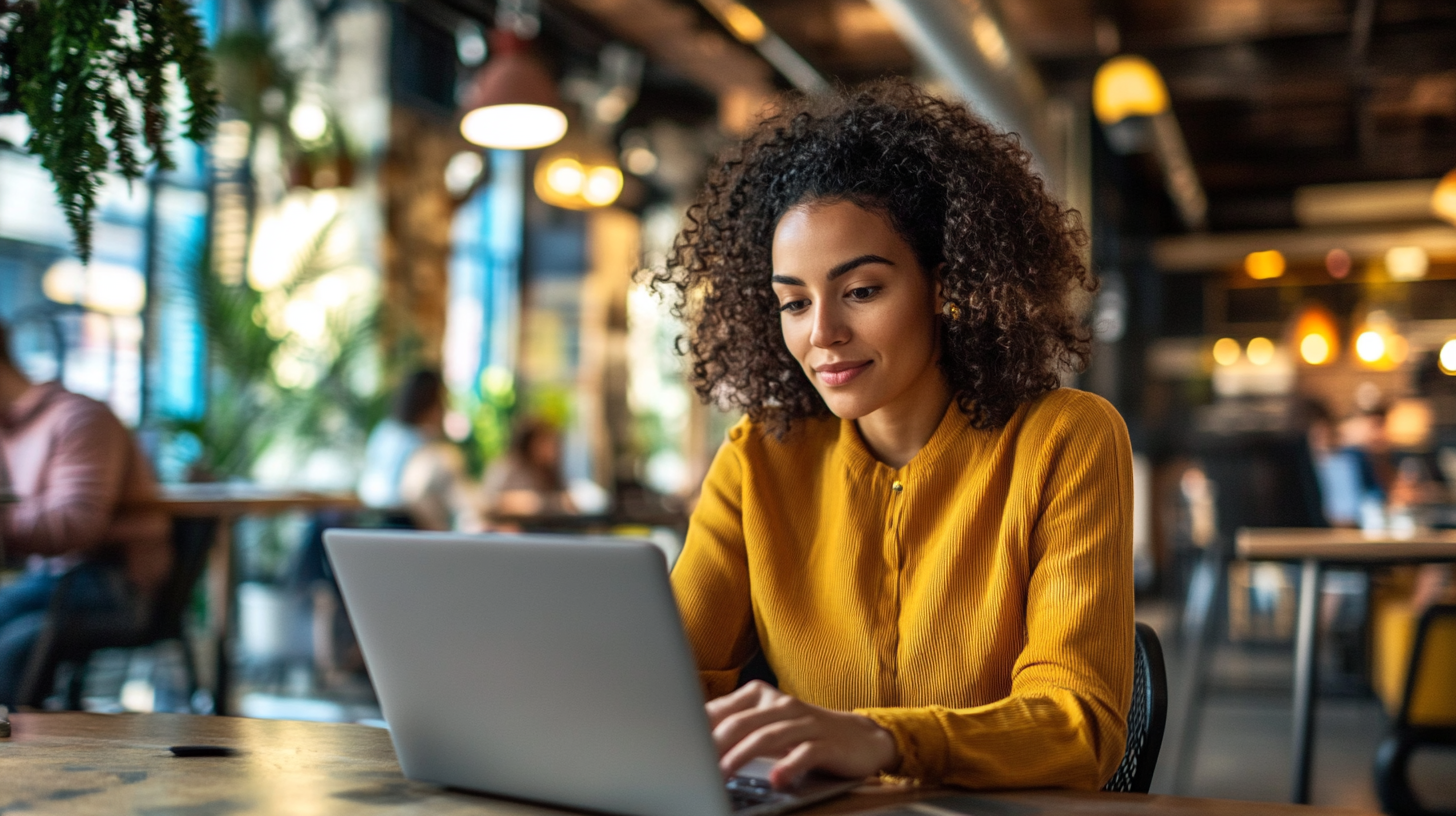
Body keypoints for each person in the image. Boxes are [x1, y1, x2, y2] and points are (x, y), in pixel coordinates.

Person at [648, 80, 1133, 792]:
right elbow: (666, 681)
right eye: (793, 302)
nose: (822, 335)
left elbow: (1078, 725)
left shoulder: (1066, 440)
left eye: (863, 290)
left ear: (945, 282)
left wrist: (880, 740)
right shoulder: (758, 459)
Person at [0, 320, 170, 705]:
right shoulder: (9, 430)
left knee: (10, 636)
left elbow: (77, 523)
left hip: (112, 585)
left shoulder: (79, 418)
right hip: (53, 582)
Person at [480, 419, 576, 522]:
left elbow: (570, 505)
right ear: (530, 443)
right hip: (513, 533)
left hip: (545, 533)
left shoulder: (552, 474)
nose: (551, 449)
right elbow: (489, 502)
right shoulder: (508, 468)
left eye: (554, 443)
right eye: (544, 442)